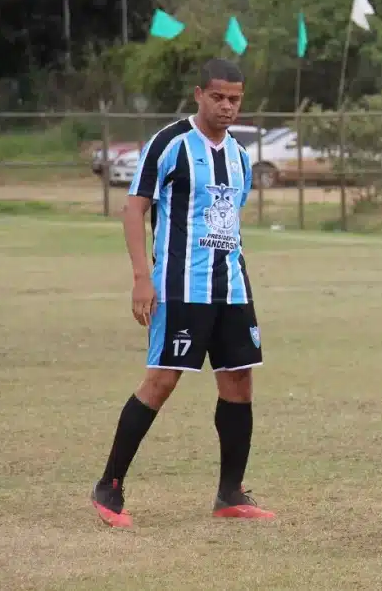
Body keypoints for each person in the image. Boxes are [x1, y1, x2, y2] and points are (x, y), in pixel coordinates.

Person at [91, 58, 274, 528]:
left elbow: (230, 219)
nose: (228, 106)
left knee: (239, 382)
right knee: (162, 381)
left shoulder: (240, 155)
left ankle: (230, 493)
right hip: (180, 287)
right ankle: (109, 486)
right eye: (218, 97)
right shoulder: (169, 144)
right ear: (199, 94)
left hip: (231, 288)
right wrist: (141, 278)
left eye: (235, 98)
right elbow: (134, 211)